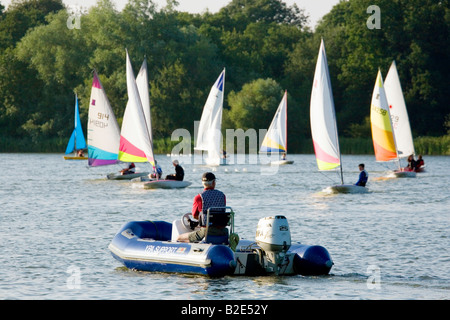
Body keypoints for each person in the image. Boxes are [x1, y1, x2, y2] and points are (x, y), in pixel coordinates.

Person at [177, 172, 227, 243]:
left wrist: (202, 219)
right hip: (222, 231)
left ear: (203, 183)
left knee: (179, 238)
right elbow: (222, 211)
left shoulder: (199, 197)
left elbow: (194, 215)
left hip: (206, 232)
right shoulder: (222, 195)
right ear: (213, 182)